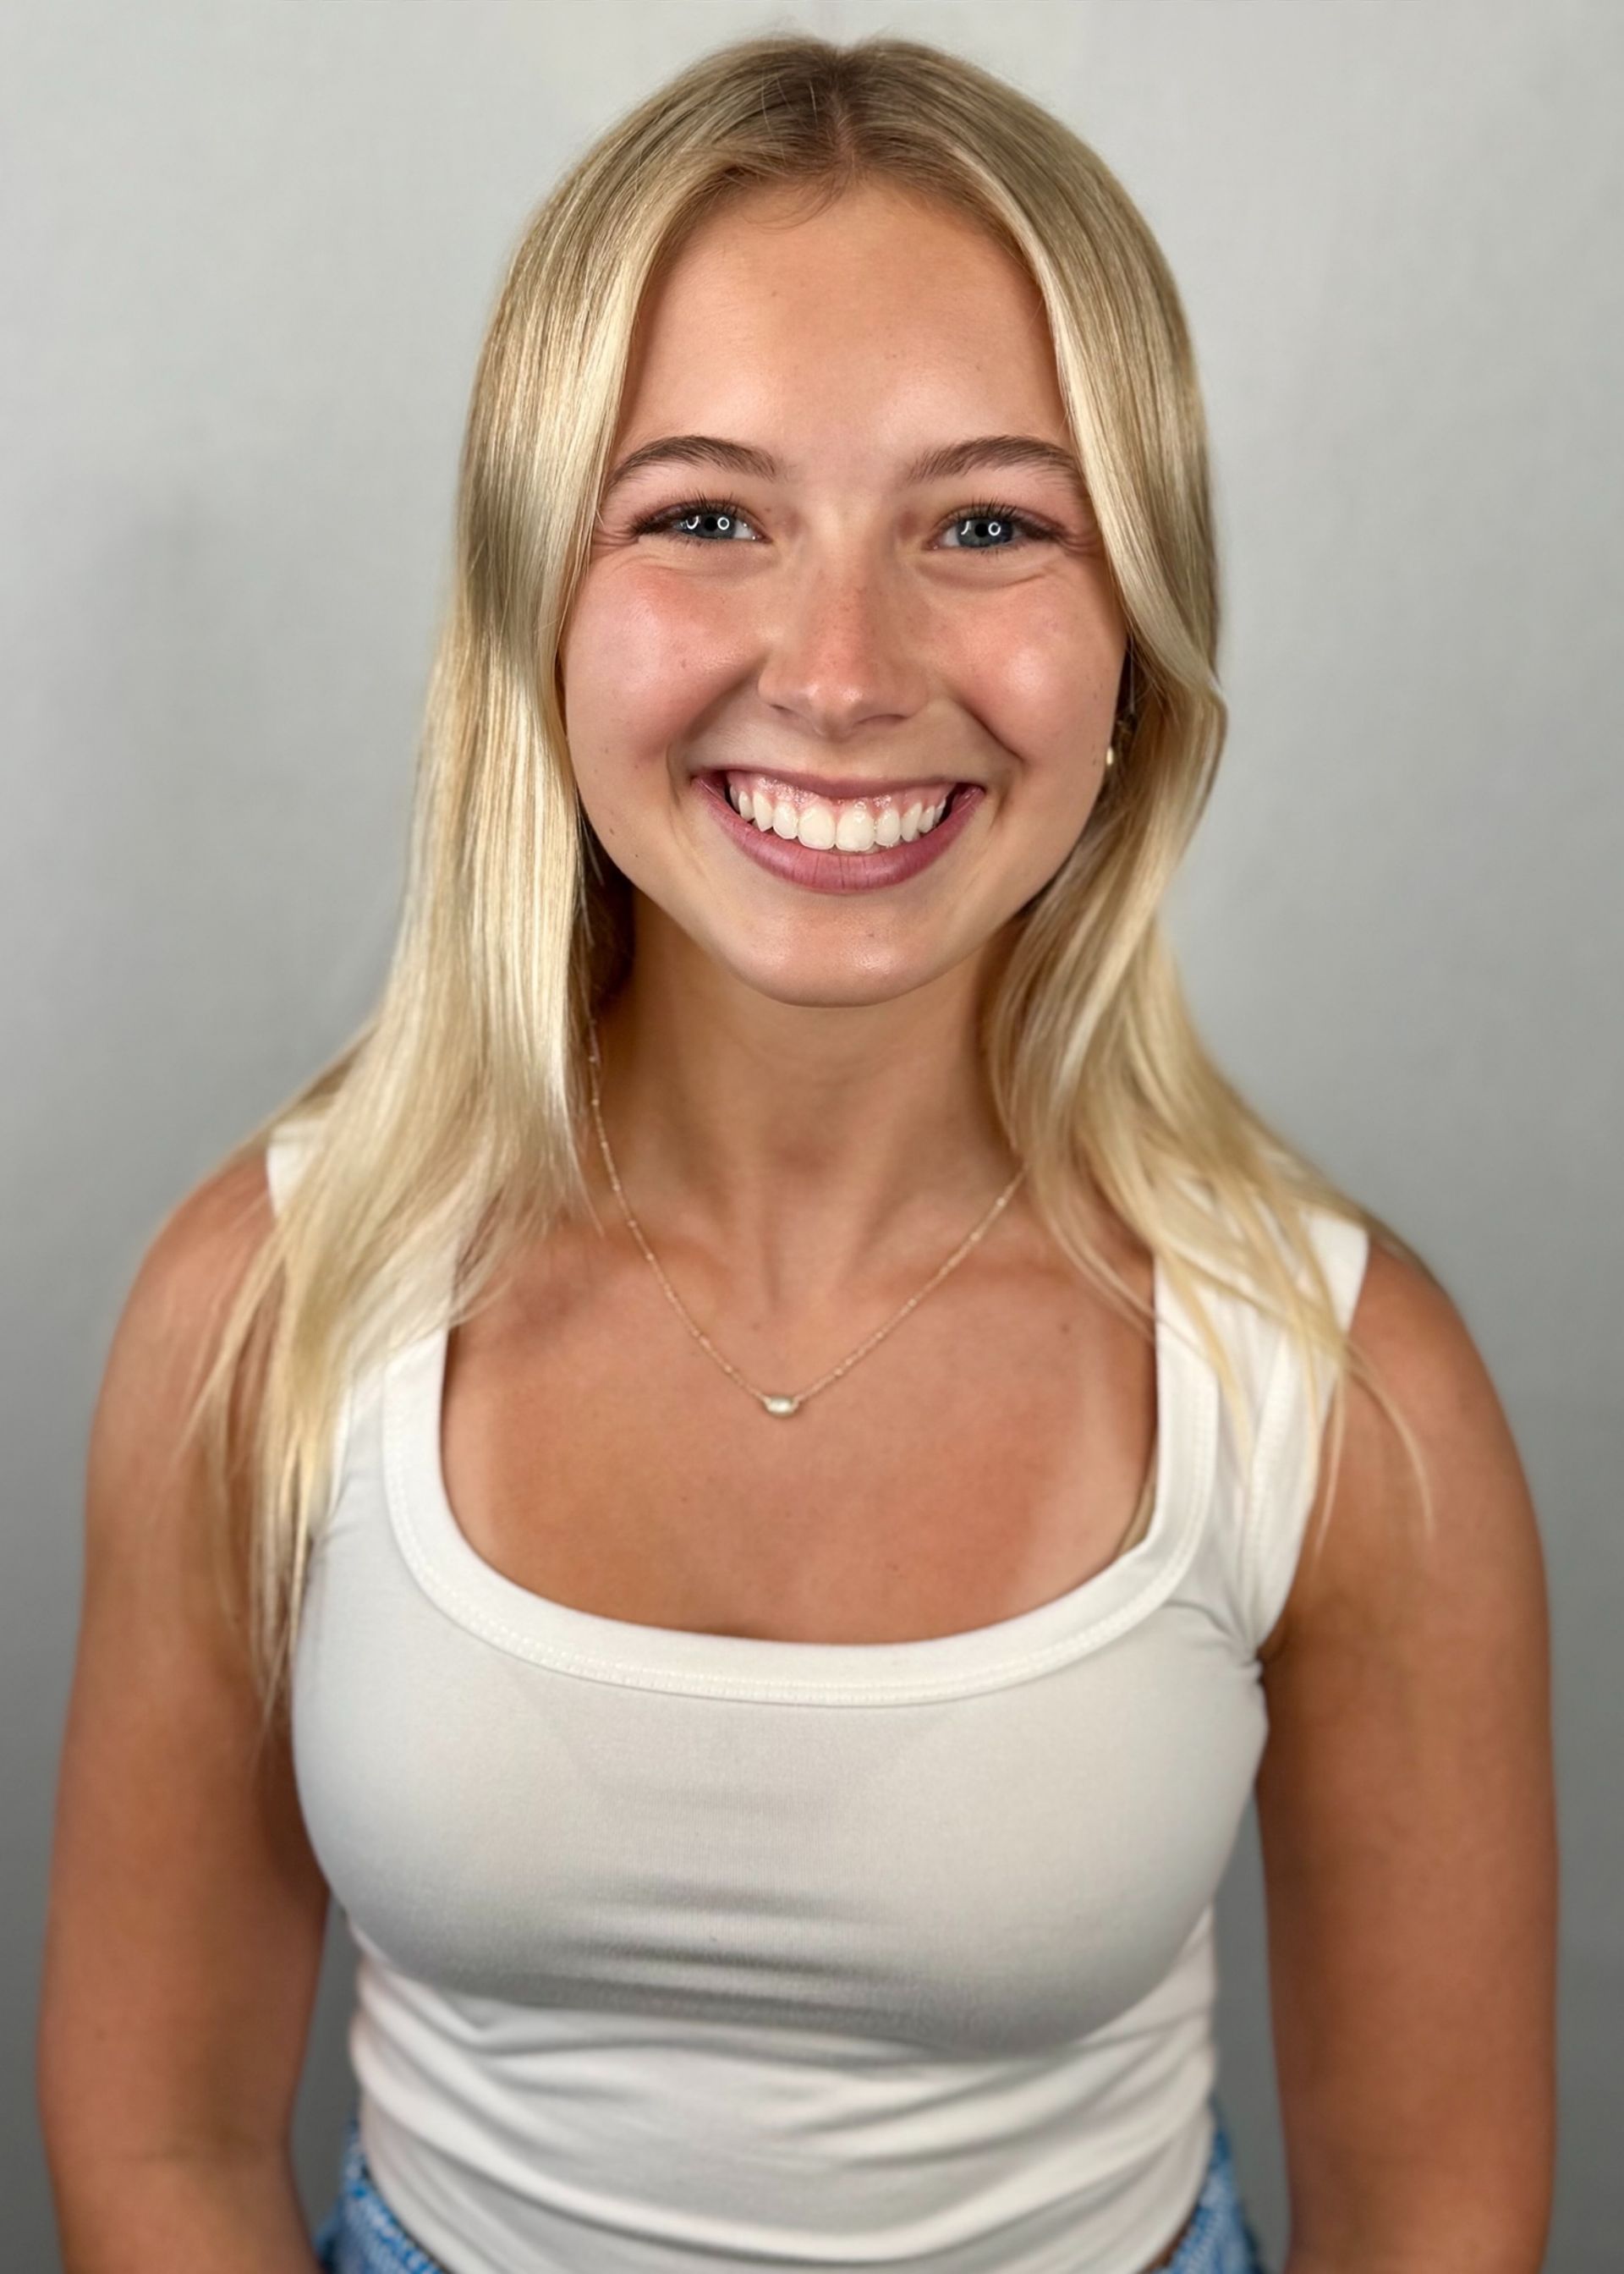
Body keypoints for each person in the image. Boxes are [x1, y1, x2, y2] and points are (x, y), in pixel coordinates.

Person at [37, 30, 1556, 2274]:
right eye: (709, 516)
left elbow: (1433, 2207)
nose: (843, 672)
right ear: (537, 601)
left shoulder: (1342, 1396)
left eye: (986, 525)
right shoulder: (267, 1308)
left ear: (1132, 633)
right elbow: (158, 2141)